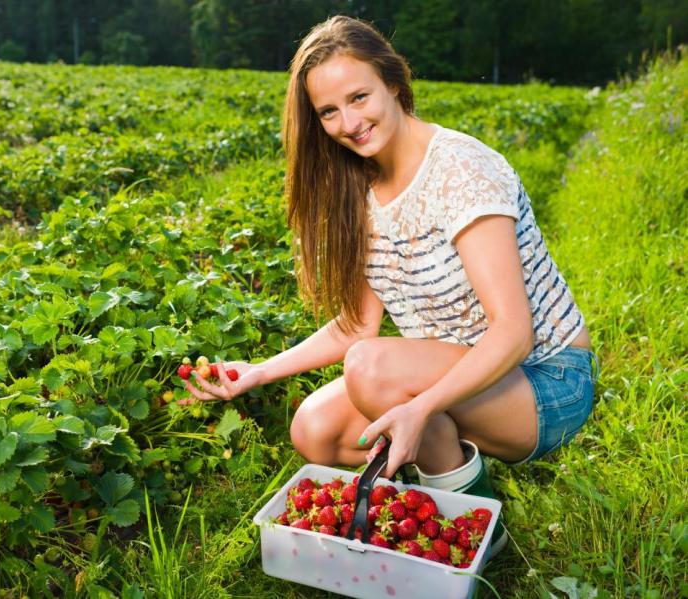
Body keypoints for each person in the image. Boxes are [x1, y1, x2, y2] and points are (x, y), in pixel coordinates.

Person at [181, 15, 599, 557]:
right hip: (464, 371)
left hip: (546, 380)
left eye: (359, 97)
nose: (348, 122)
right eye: (329, 111)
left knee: (371, 368)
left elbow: (514, 333)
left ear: (394, 84)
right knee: (315, 429)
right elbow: (358, 325)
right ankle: (431, 479)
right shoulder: (361, 186)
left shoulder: (460, 171)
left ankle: (477, 530)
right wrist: (256, 373)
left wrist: (422, 406)